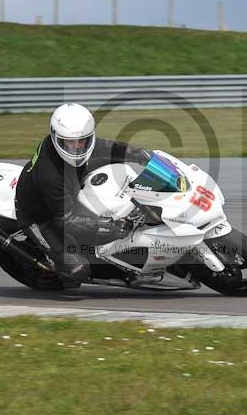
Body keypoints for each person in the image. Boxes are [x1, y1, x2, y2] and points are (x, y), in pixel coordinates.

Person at [14, 103, 152, 282]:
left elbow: (105, 147)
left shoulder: (80, 147)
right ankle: (57, 266)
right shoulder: (51, 175)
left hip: (71, 186)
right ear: (57, 138)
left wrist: (137, 154)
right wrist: (106, 226)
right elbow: (67, 219)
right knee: (77, 270)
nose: (77, 147)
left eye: (83, 140)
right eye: (70, 142)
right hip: (42, 216)